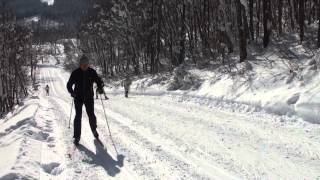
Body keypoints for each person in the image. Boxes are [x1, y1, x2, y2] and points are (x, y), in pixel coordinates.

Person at [67, 55, 105, 145]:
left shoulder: (92, 72)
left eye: (86, 64)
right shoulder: (75, 73)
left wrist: (100, 86)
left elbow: (99, 81)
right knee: (78, 116)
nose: (84, 66)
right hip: (78, 97)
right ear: (80, 64)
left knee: (91, 115)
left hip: (89, 97)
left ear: (88, 64)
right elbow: (69, 85)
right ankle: (77, 136)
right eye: (83, 64)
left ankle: (94, 129)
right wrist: (72, 92)